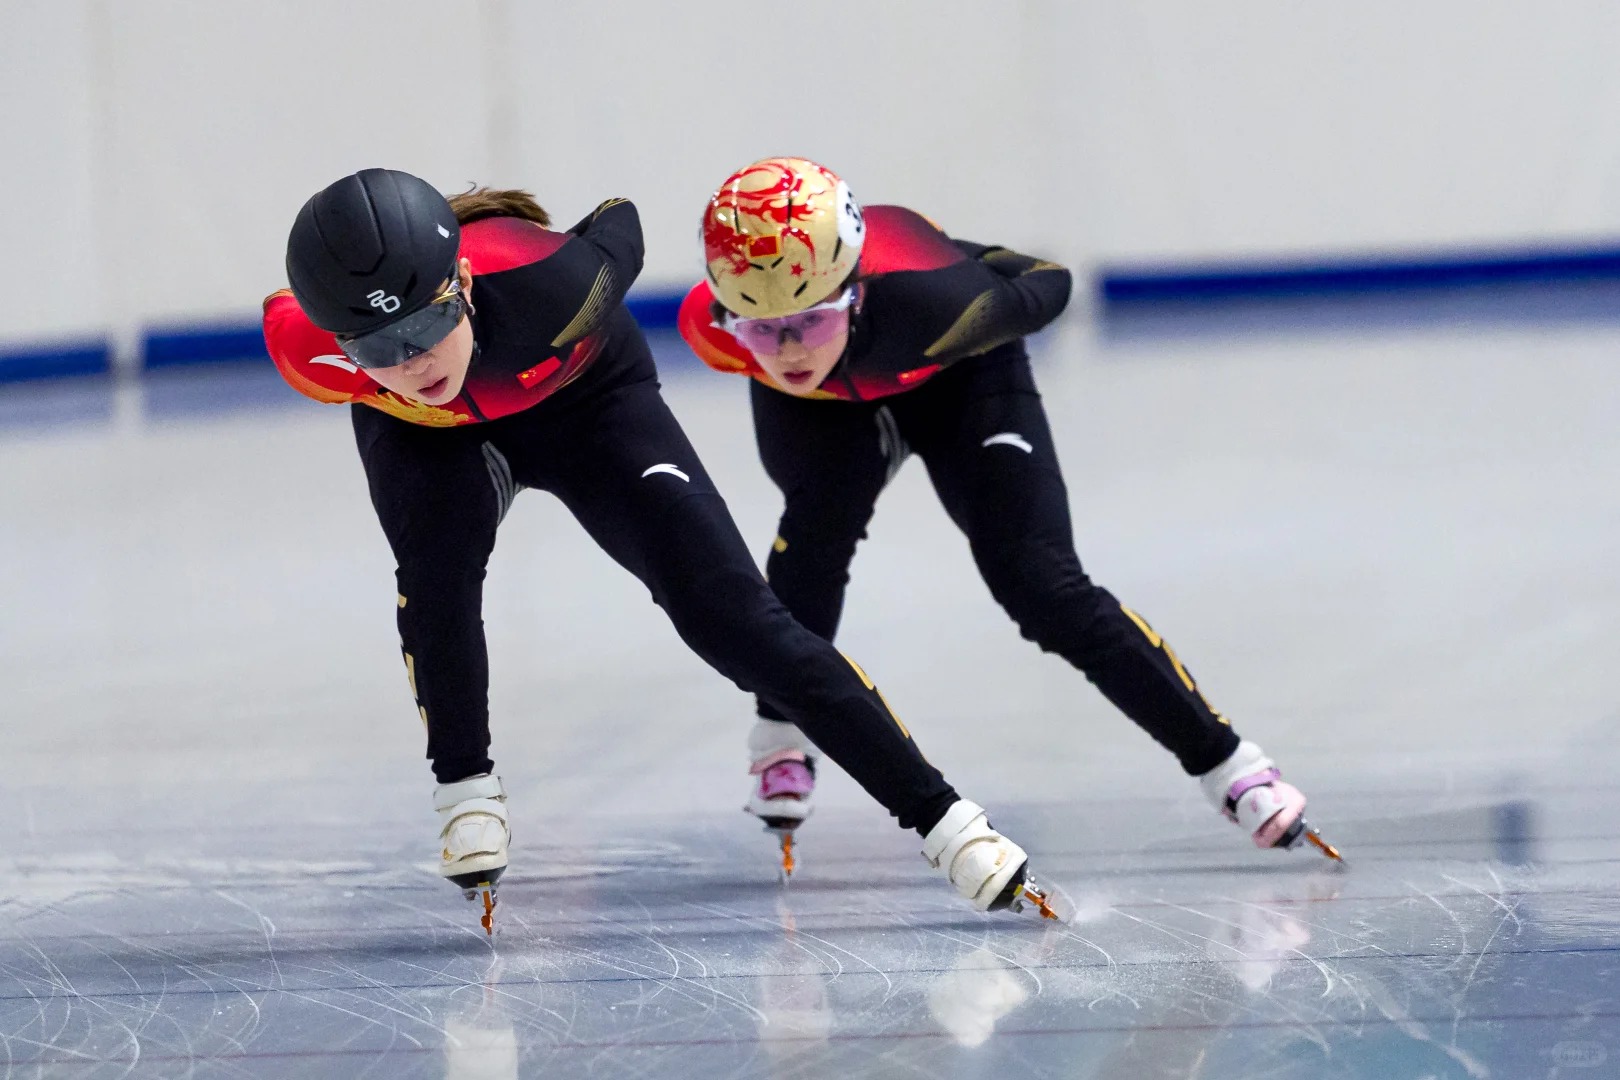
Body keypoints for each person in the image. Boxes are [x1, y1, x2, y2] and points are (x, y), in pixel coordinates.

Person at [262, 168, 1064, 932]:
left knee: (736, 620)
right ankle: (464, 792)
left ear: (464, 283)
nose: (413, 362)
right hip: (428, 441)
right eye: (379, 348)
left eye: (430, 324)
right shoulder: (307, 347)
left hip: (587, 406)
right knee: (435, 580)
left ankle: (948, 822)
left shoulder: (559, 283)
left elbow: (620, 221)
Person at [678, 157, 1339, 863]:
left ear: (855, 293)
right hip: (826, 410)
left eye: (810, 322)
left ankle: (1230, 764)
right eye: (759, 328)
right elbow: (770, 340)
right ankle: (780, 738)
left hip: (961, 375)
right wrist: (787, 334)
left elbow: (1049, 281)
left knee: (1042, 586)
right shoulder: (710, 330)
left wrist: (968, 253)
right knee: (814, 538)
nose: (786, 349)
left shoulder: (944, 300)